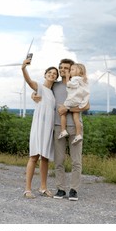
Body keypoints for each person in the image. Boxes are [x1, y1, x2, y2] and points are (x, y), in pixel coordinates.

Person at [33, 59, 90, 201]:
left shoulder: (79, 84)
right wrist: (34, 95)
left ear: (72, 69)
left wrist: (68, 108)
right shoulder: (55, 86)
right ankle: (60, 189)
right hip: (58, 127)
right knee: (59, 161)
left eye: (66, 67)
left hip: (75, 127)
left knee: (76, 161)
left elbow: (87, 106)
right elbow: (42, 92)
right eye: (61, 67)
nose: (63, 69)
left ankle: (74, 190)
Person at [21, 56, 59, 198]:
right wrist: (24, 68)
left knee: (45, 158)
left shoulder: (53, 94)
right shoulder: (40, 87)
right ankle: (27, 189)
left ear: (56, 78)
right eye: (50, 73)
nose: (52, 75)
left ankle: (43, 187)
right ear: (45, 74)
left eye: (55, 74)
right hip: (38, 126)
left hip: (48, 128)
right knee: (33, 157)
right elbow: (29, 81)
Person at [58, 63, 90, 145]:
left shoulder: (75, 79)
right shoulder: (84, 80)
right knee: (76, 118)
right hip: (79, 101)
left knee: (62, 112)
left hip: (72, 100)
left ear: (79, 71)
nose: (70, 71)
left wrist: (68, 77)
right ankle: (78, 135)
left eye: (72, 70)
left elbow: (70, 84)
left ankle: (63, 130)